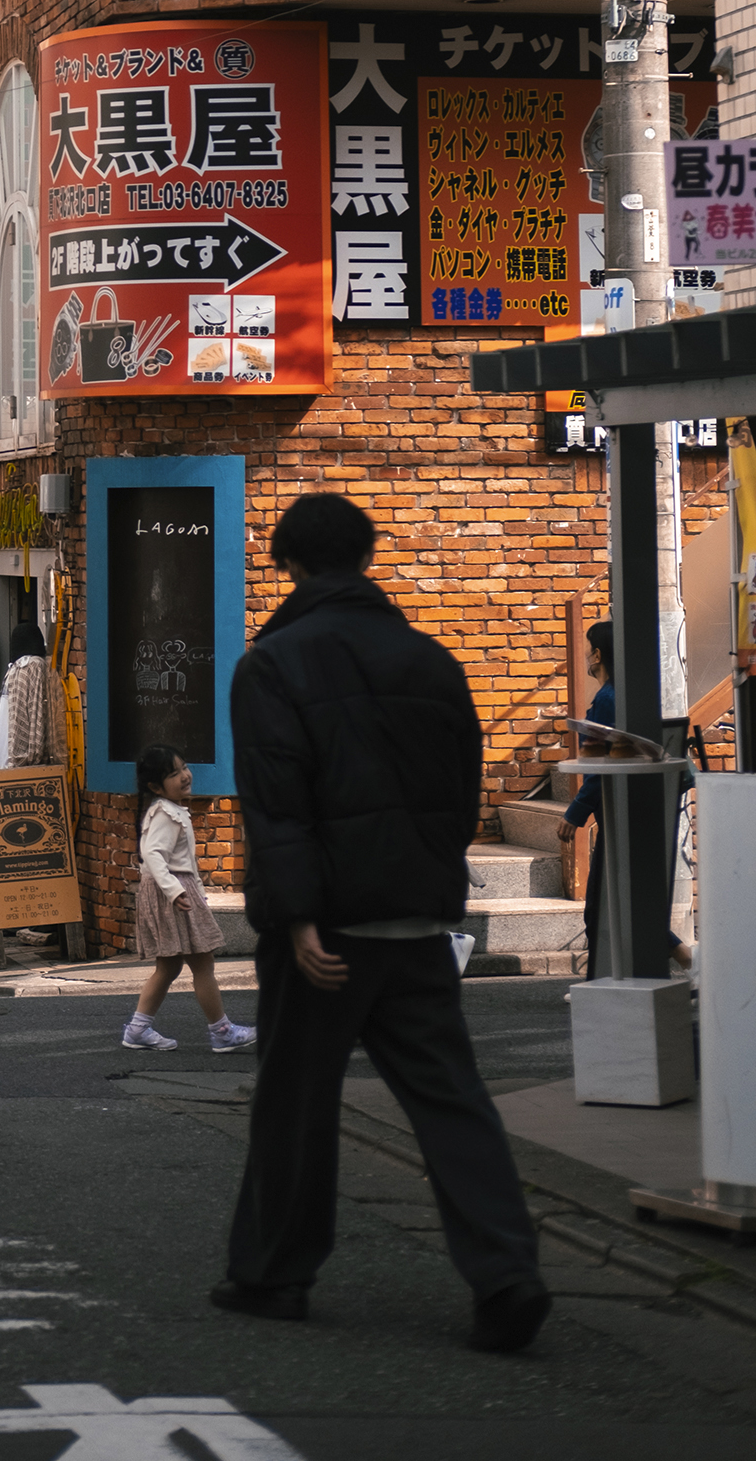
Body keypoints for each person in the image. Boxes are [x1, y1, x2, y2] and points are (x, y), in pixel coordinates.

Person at [214, 491, 549, 1354]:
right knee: (451, 1101)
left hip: (327, 932)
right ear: (366, 558)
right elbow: (455, 794)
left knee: (296, 1102)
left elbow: (277, 806)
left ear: (287, 562)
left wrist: (295, 919)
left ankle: (276, 1275)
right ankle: (508, 1273)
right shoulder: (431, 661)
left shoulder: (273, 664)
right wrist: (436, 897)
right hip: (416, 924)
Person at [123, 743, 255, 1055]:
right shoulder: (166, 813)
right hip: (172, 892)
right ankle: (222, 1031)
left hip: (174, 890)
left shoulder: (167, 810)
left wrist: (194, 891)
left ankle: (138, 1028)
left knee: (168, 967)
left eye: (184, 767)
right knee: (202, 963)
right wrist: (177, 891)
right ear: (156, 786)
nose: (184, 776)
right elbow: (152, 855)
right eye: (174, 773)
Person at [559, 618, 614, 976]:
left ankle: (598, 980)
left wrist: (576, 811)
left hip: (614, 808)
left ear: (596, 654)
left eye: (586, 648)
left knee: (599, 904)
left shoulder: (608, 698)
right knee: (608, 900)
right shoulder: (617, 694)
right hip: (619, 807)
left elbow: (601, 763)